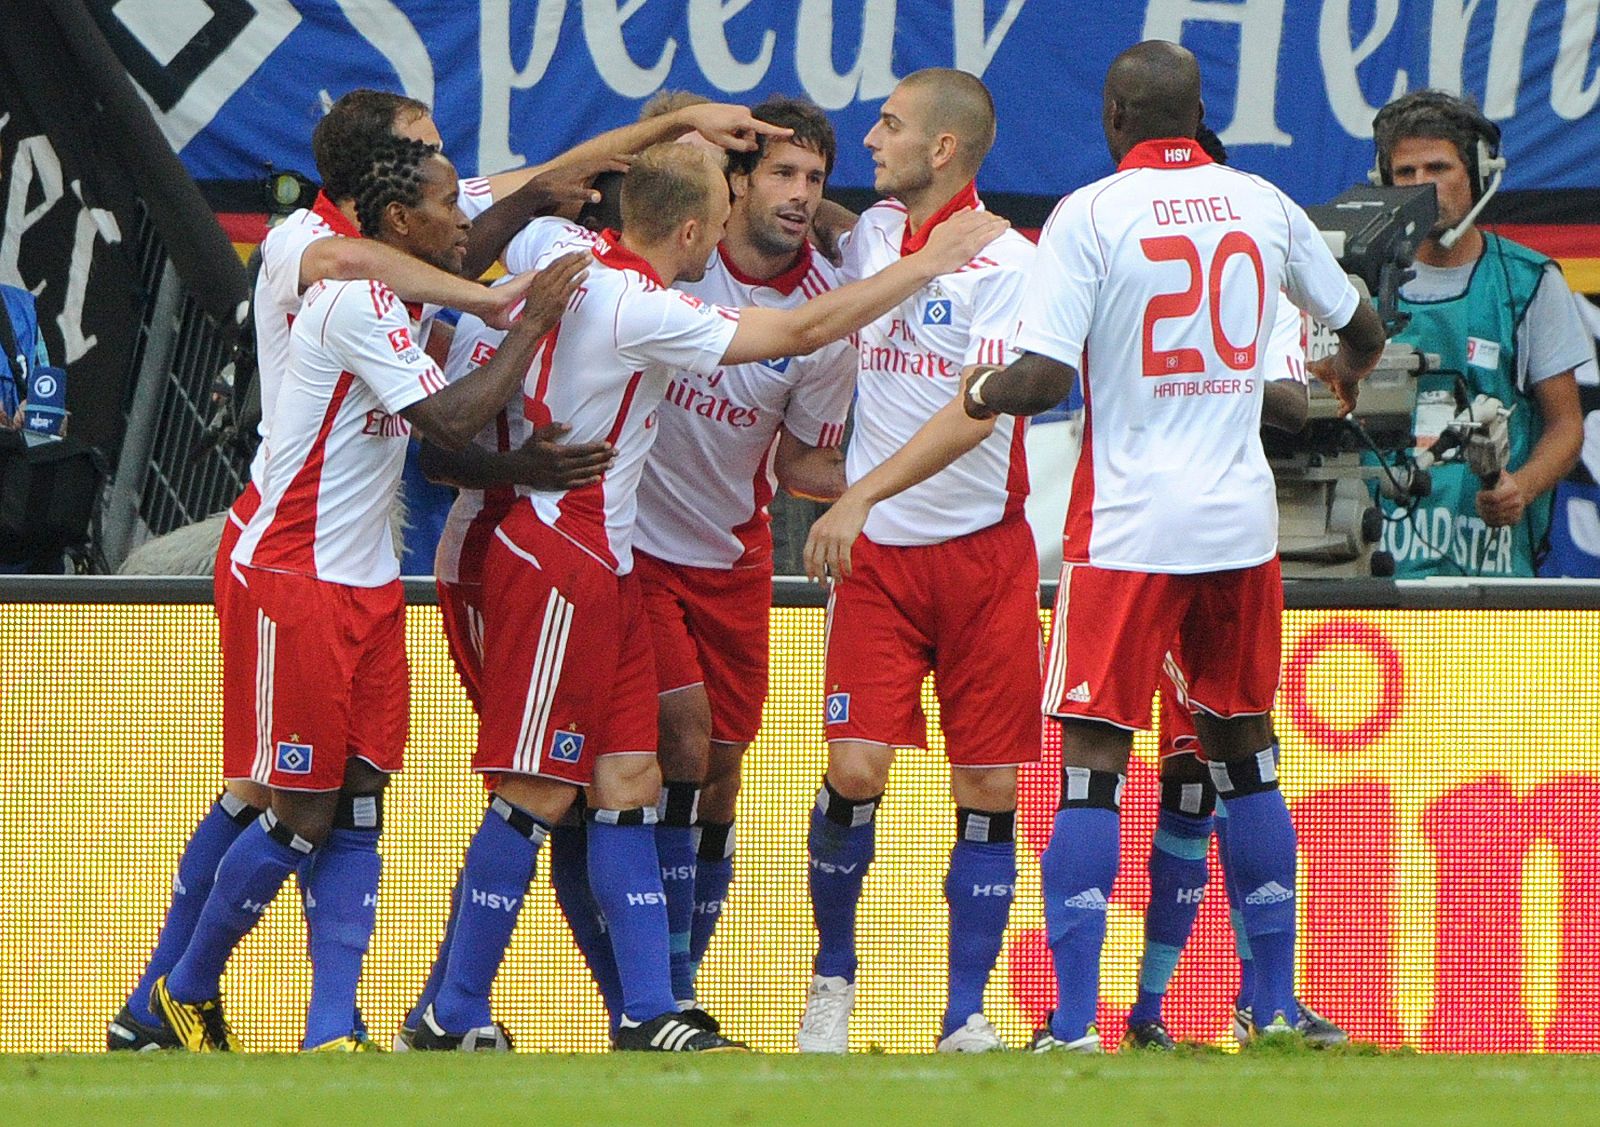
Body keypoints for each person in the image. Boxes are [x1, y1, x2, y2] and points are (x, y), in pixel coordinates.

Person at [408, 141, 1004, 1053]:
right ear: (691, 230)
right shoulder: (638, 304)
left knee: (629, 780)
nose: (725, 234)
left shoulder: (564, 256)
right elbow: (800, 333)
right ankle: (449, 1011)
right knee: (534, 791)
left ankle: (651, 1012)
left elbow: (477, 246)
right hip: (555, 551)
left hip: (604, 558)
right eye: (718, 219)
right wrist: (927, 265)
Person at [953, 40, 1386, 1049]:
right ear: (1197, 115)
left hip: (1127, 526)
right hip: (1239, 523)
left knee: (1093, 767)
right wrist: (1346, 370)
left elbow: (1041, 380)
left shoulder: (1090, 214)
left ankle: (1069, 1025)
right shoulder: (1264, 203)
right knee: (1246, 756)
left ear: (1112, 114)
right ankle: (1272, 1004)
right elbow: (1357, 325)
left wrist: (977, 389)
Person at [145, 138, 588, 1051]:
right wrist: (532, 319)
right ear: (398, 221)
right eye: (446, 205)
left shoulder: (396, 295)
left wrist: (516, 462)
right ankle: (177, 992)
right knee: (296, 803)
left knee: (359, 790)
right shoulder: (352, 301)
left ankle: (329, 1028)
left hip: (366, 580)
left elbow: (438, 442)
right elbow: (451, 418)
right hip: (294, 573)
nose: (467, 221)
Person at [797, 68, 1038, 1055]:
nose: (871, 137)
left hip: (981, 555)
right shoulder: (869, 237)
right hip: (881, 564)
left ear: (944, 149)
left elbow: (972, 417)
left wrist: (855, 492)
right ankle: (831, 984)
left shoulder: (1010, 264)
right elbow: (827, 225)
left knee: (988, 787)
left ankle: (965, 1013)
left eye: (889, 125)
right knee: (854, 768)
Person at [630, 97, 855, 1027]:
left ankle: (683, 970)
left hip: (733, 553)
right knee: (680, 735)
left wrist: (908, 467)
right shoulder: (680, 260)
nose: (800, 195)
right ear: (737, 181)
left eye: (814, 179)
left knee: (721, 764)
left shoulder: (827, 314)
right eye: (782, 174)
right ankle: (666, 990)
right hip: (635, 543)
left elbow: (804, 461)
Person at [1369, 90, 1589, 577]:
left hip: (1490, 581)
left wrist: (1522, 488)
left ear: (1478, 171)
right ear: (1384, 182)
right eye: (1406, 173)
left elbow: (1566, 426)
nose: (1422, 186)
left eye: (1438, 168)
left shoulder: (1528, 281)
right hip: (1375, 577)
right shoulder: (1353, 283)